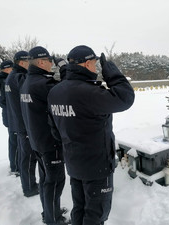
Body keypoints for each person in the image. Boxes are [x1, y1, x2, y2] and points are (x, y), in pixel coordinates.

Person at [47, 45, 135, 225]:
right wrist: (112, 72)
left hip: (74, 162)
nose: (96, 68)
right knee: (96, 214)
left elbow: (55, 130)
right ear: (87, 64)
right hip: (97, 167)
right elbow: (125, 97)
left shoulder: (55, 92)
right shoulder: (89, 92)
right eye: (95, 64)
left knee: (79, 208)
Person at [20, 46, 69, 225]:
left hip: (37, 140)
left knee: (45, 180)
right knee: (54, 182)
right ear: (41, 62)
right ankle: (53, 219)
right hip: (50, 143)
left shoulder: (28, 81)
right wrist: (64, 68)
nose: (51, 65)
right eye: (49, 61)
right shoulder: (42, 84)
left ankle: (49, 212)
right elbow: (65, 90)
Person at [5, 51, 38, 197]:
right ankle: (29, 187)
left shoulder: (11, 77)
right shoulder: (19, 77)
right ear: (23, 62)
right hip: (24, 124)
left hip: (18, 123)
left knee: (24, 157)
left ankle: (28, 185)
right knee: (28, 158)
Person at [0, 60, 19, 175]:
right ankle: (15, 166)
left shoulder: (1, 81)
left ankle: (15, 164)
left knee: (13, 141)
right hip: (11, 115)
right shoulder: (4, 82)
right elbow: (4, 102)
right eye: (11, 68)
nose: (13, 70)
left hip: (9, 115)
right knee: (15, 142)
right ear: (6, 69)